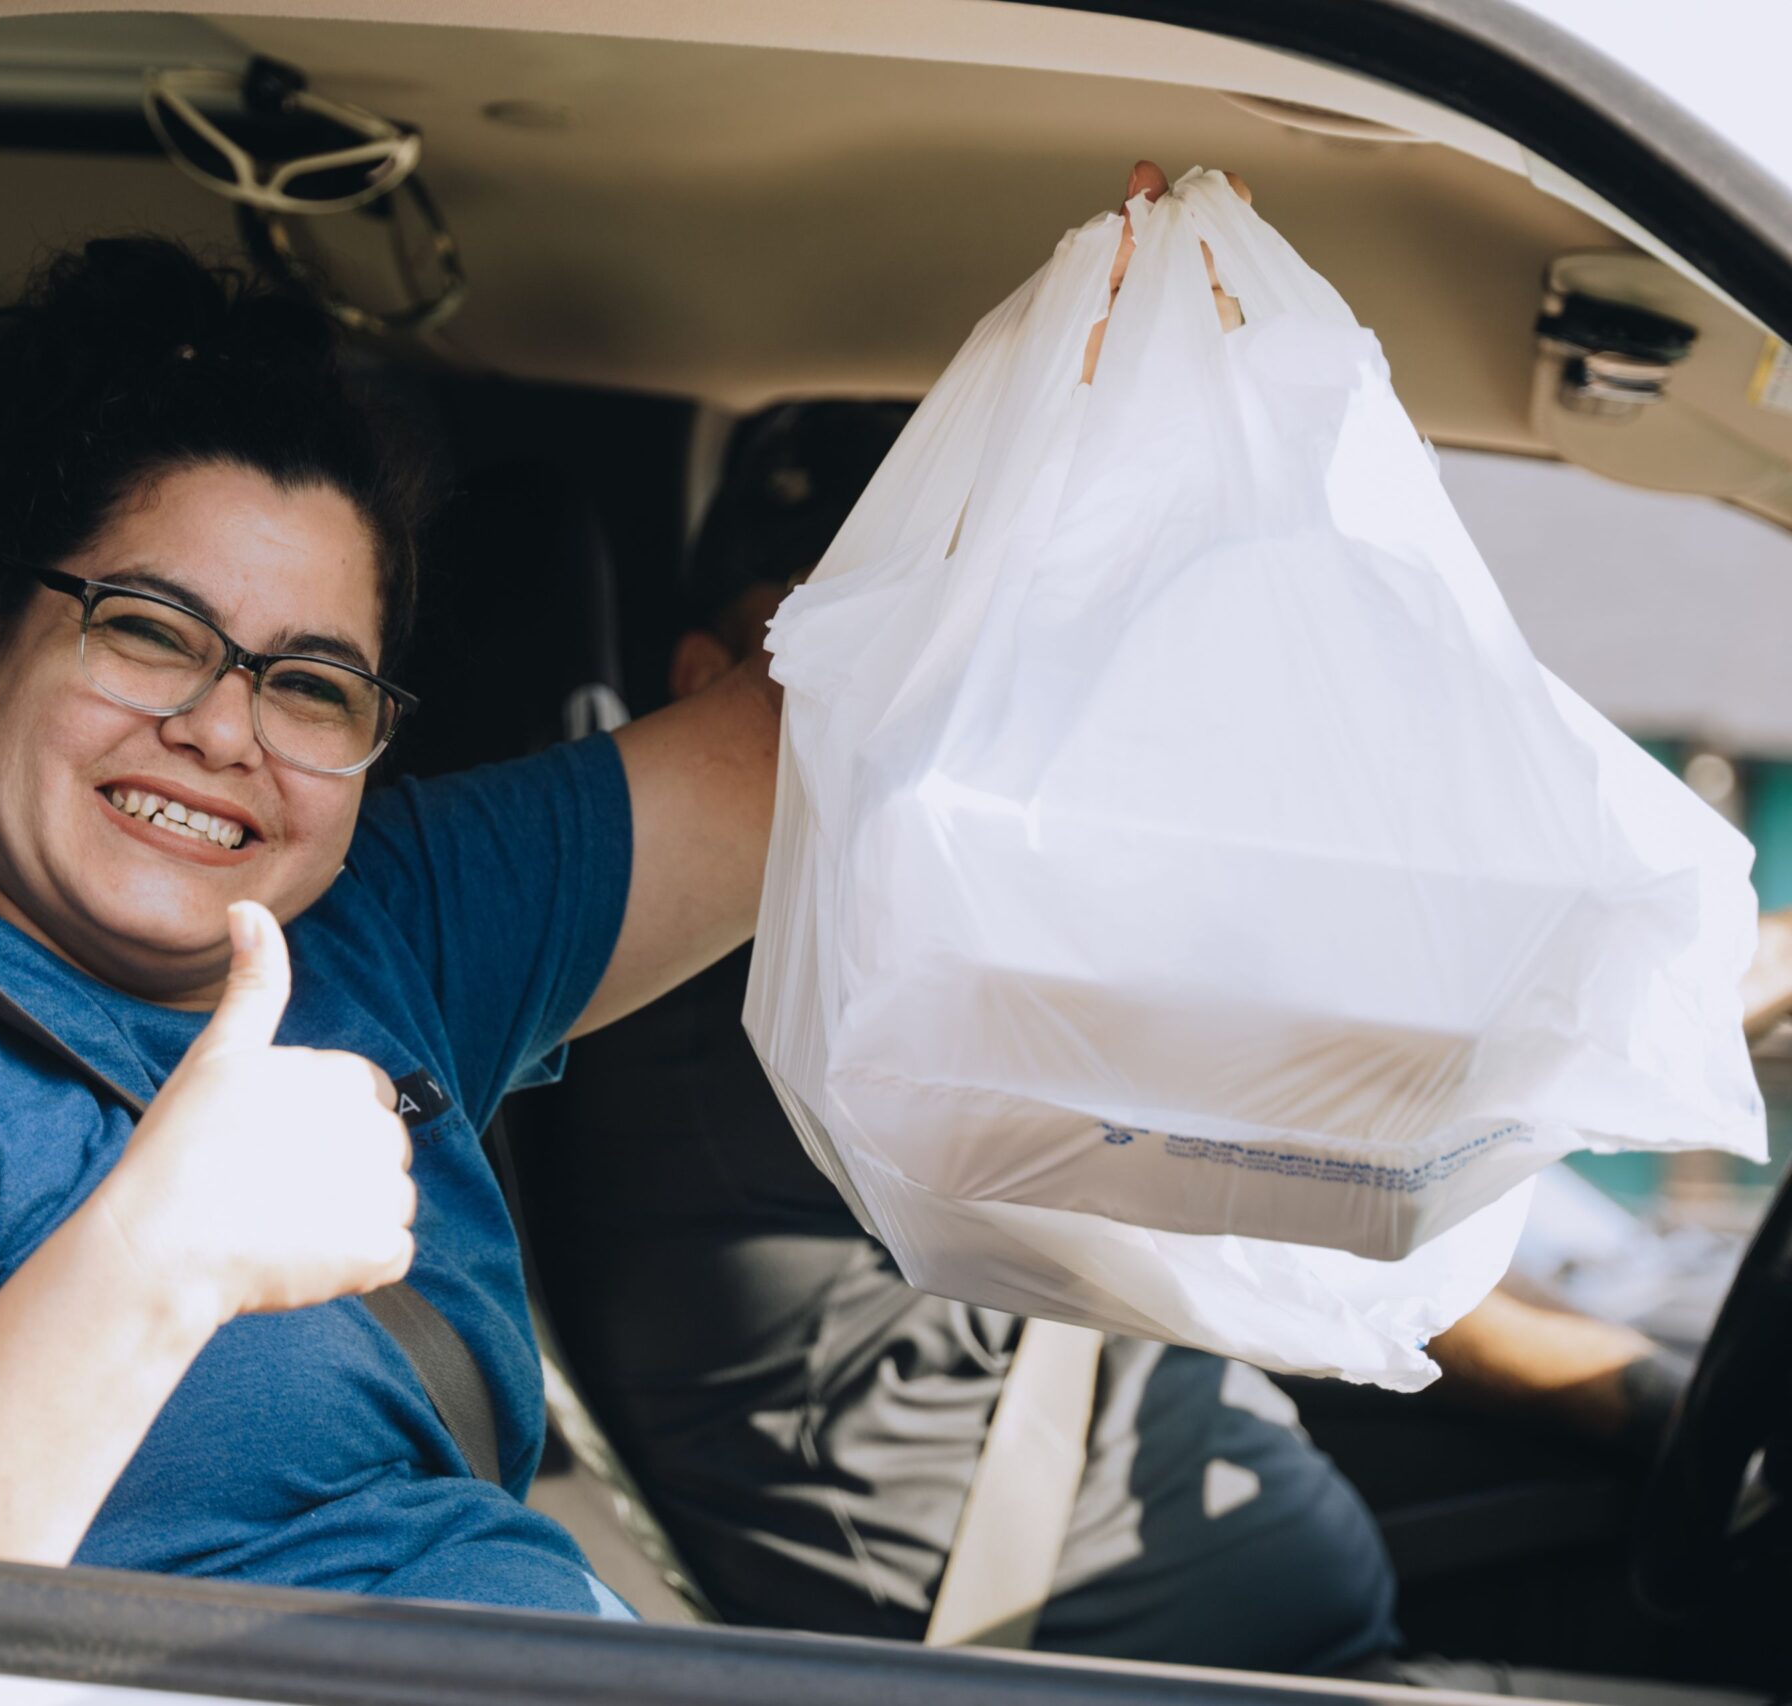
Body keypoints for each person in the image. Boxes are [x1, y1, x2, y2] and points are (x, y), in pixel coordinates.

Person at [517, 399, 1701, 1672]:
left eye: (971, 637)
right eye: (871, 633)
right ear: (709, 683)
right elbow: (1323, 1173)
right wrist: (1638, 1392)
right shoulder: (785, 1001)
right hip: (1065, 1662)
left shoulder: (903, 952)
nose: (946, 690)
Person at [0, 228, 778, 1617]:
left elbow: (813, 736)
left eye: (313, 686)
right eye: (151, 628)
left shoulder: (379, 913)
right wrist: (165, 1253)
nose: (223, 727)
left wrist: (1121, 401)